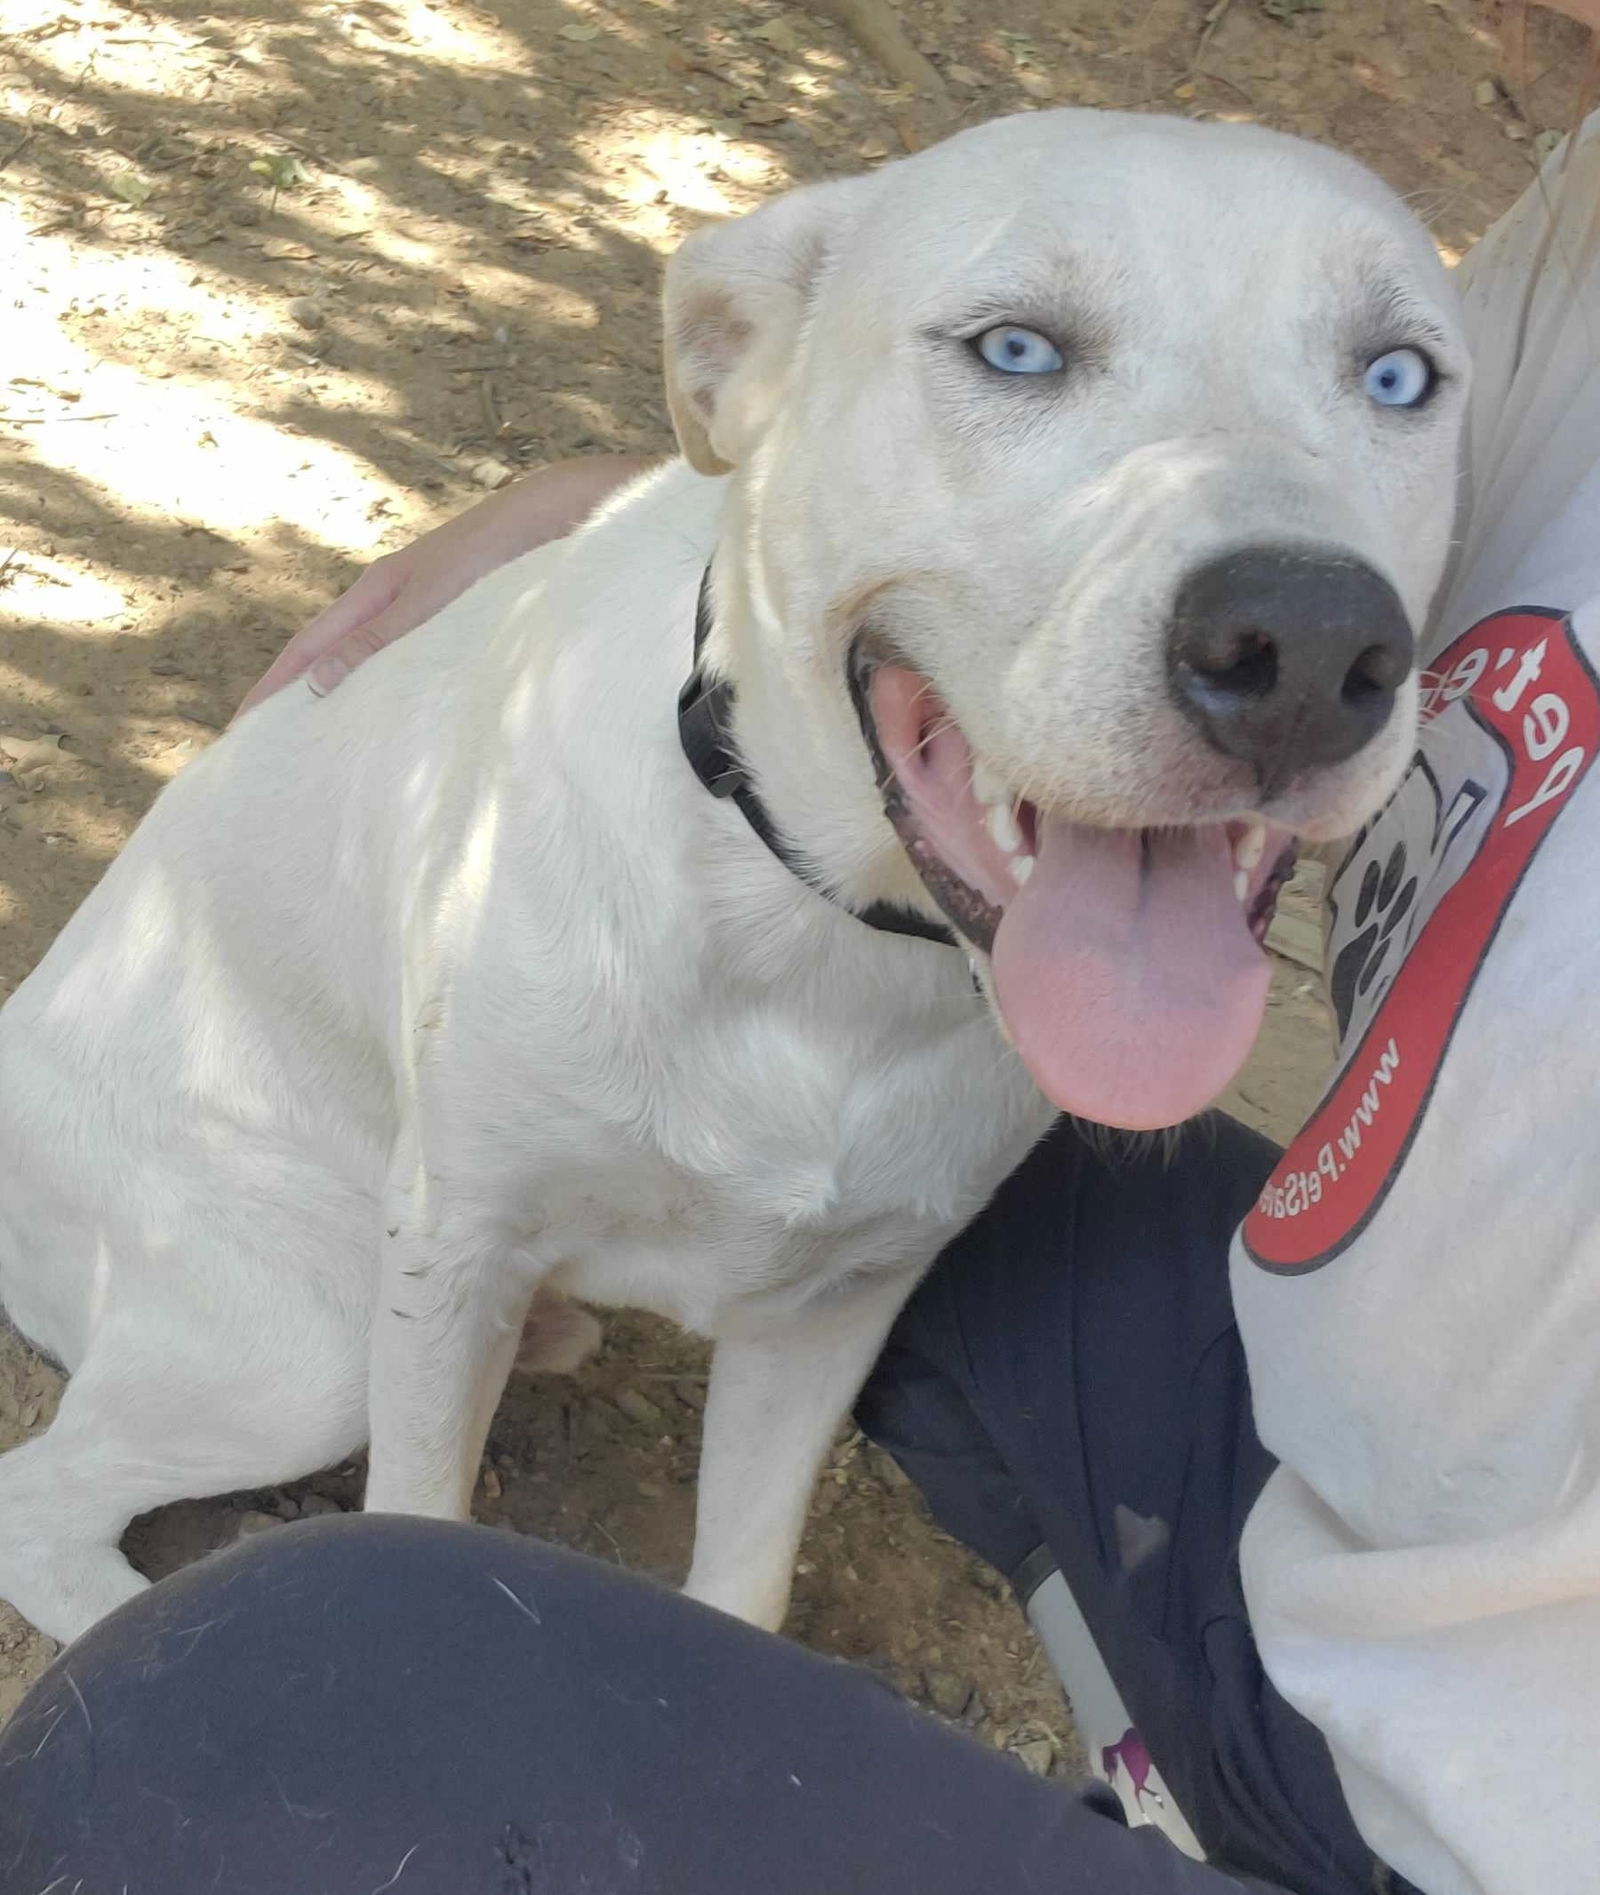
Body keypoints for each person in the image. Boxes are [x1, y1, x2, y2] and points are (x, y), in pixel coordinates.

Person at [4, 65, 1598, 1895]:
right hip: (202, 1152)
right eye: (1019, 350)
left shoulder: (1040, 913)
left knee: (857, 1234)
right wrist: (422, 1612)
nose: (1301, 637)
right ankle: (68, 1529)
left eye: (1388, 379)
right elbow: (450, 1226)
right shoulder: (1575, 226)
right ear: (739, 376)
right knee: (317, 1455)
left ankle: (732, 1620)